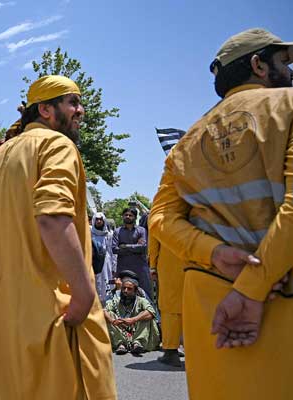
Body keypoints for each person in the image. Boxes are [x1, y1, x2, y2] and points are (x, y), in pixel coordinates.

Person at [149, 28, 293, 400]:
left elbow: (161, 219)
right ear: (258, 65)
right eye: (283, 61)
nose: (288, 70)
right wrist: (254, 284)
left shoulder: (188, 141)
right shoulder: (288, 107)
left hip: (212, 311)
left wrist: (215, 255)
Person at [0, 75, 116, 399]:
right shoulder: (56, 145)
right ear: (45, 109)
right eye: (72, 102)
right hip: (54, 318)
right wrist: (84, 295)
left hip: (7, 325)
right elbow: (53, 219)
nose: (80, 110)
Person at [148, 234, 185, 367]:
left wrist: (152, 266)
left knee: (169, 307)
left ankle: (171, 351)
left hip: (169, 265)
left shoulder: (160, 214)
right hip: (195, 262)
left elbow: (154, 242)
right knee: (191, 305)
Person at [104, 277, 160, 355]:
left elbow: (151, 312)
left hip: (137, 330)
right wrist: (113, 321)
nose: (125, 291)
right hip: (121, 331)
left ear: (135, 291)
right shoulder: (116, 300)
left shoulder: (141, 300)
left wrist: (134, 319)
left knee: (146, 315)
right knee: (109, 314)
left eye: (129, 289)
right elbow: (104, 311)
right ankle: (121, 344)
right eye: (124, 288)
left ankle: (137, 343)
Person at [112, 207, 153, 299]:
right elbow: (115, 249)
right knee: (123, 292)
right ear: (122, 216)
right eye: (126, 215)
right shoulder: (117, 231)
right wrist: (135, 247)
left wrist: (125, 246)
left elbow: (143, 247)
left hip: (140, 267)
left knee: (145, 294)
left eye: (130, 215)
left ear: (135, 217)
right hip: (123, 267)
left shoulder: (141, 230)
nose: (128, 217)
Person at [91, 212, 116, 304]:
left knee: (106, 283)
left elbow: (112, 251)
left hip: (106, 262)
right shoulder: (90, 234)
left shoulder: (109, 234)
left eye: (100, 219)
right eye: (97, 219)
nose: (98, 221)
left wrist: (114, 267)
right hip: (93, 262)